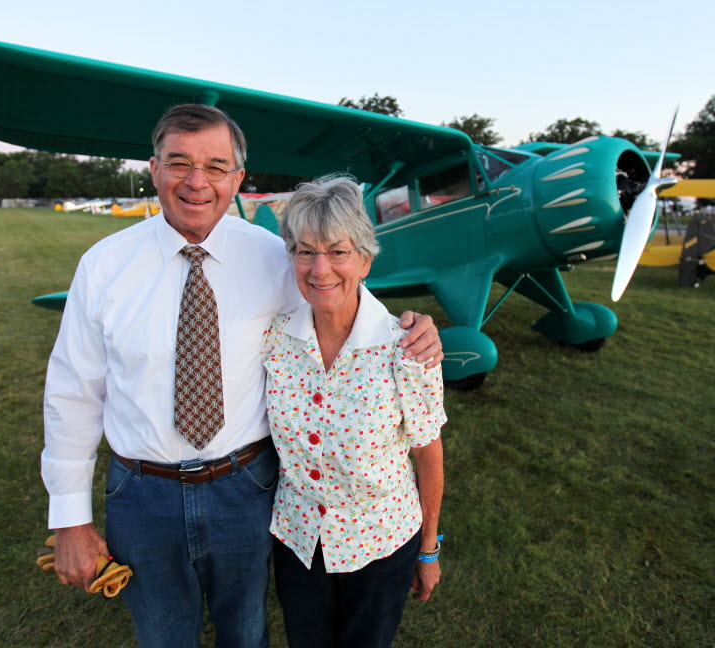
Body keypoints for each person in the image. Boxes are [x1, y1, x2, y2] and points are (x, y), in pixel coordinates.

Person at [41, 104, 443, 648]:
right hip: (141, 495)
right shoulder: (103, 266)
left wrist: (413, 329)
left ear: (238, 178)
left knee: (246, 635)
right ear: (154, 169)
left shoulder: (271, 255)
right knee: (162, 637)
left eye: (215, 165)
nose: (196, 182)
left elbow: (333, 285)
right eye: (179, 163)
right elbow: (72, 395)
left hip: (246, 490)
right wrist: (70, 520)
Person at [263, 175, 446, 648]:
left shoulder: (407, 348)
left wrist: (428, 550)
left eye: (337, 251)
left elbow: (428, 453)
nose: (320, 268)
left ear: (365, 258)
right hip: (298, 542)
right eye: (305, 251)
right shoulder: (273, 339)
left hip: (382, 545)